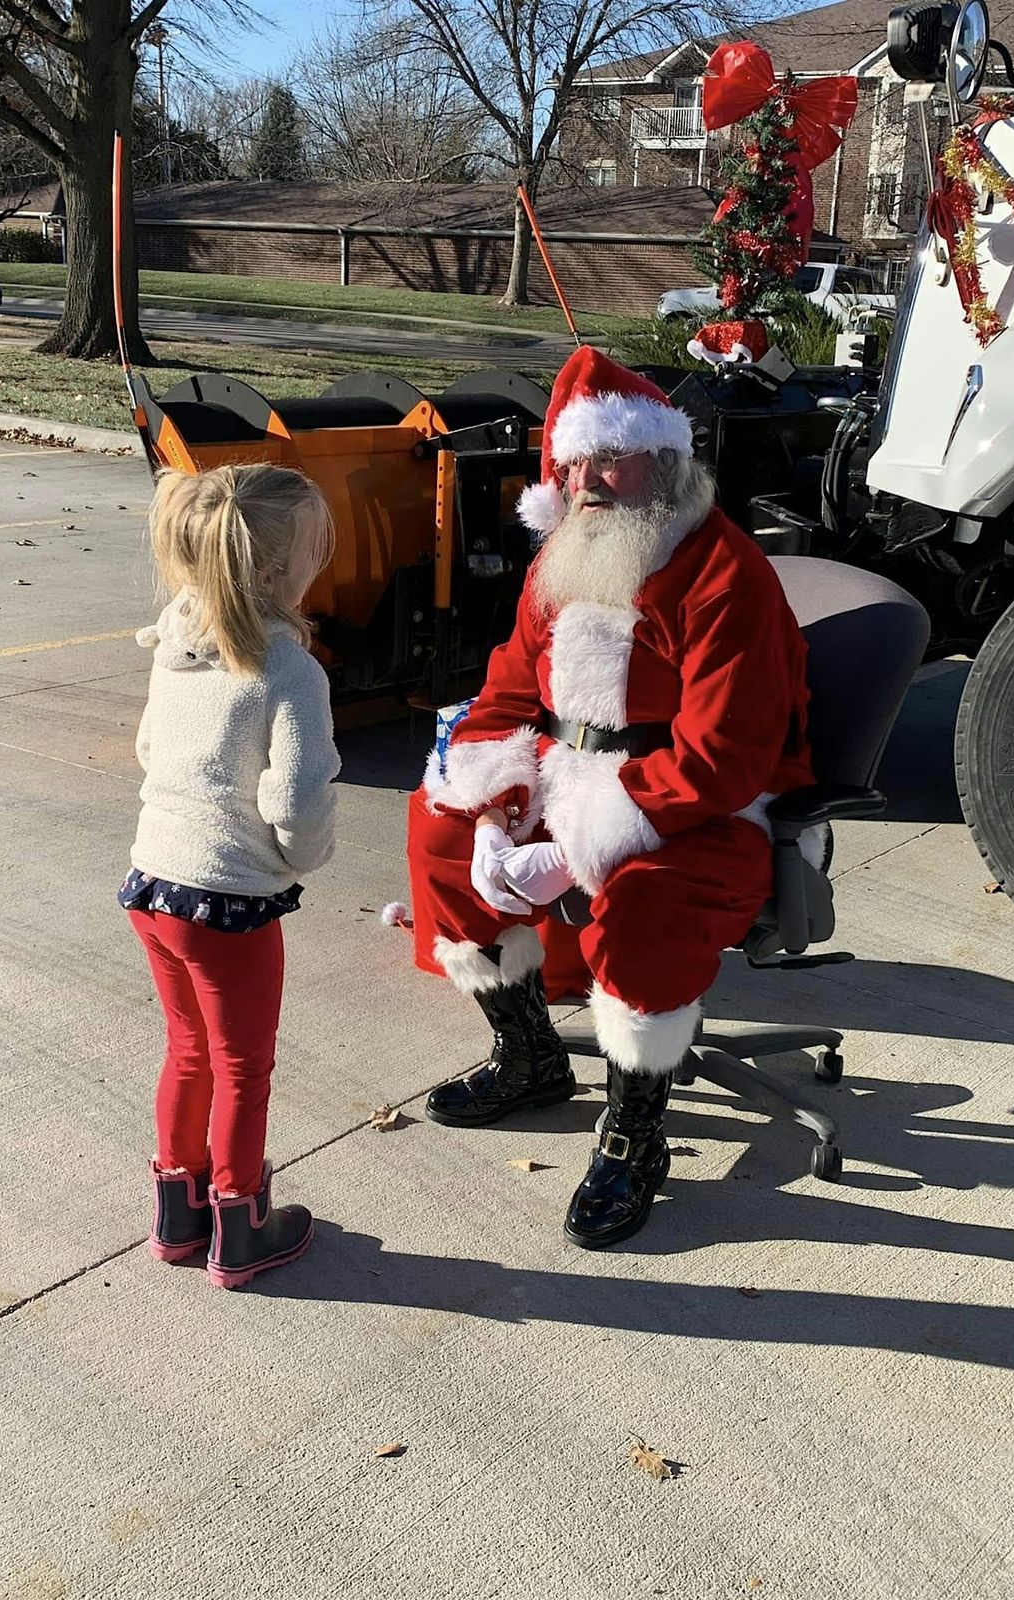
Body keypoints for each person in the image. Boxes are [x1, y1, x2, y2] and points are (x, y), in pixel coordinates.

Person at [407, 347, 820, 1249]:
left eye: (608, 460)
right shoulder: (563, 558)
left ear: (662, 465)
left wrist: (575, 845)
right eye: (571, 464)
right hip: (570, 774)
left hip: (700, 805)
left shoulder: (723, 574)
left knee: (642, 900)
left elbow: (724, 758)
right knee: (434, 832)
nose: (587, 481)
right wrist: (491, 809)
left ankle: (636, 1133)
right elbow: (508, 693)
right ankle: (528, 1054)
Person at [121, 464, 340, 1289]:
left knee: (188, 1051)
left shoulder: (176, 642)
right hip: (227, 902)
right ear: (277, 572)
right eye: (315, 550)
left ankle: (179, 1217)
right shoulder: (288, 673)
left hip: (152, 882)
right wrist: (297, 859)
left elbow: (148, 749)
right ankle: (241, 1223)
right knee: (244, 1066)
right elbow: (296, 798)